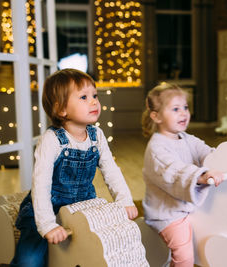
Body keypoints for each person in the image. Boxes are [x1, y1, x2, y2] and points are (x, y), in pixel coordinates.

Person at [10, 68, 138, 267]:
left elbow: (111, 171)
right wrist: (47, 225)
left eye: (95, 95)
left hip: (84, 203)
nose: (94, 101)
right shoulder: (52, 140)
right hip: (48, 206)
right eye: (84, 97)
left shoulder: (97, 136)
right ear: (61, 109)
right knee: (30, 259)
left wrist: (124, 200)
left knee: (98, 247)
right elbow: (41, 184)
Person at [141, 82, 224, 267]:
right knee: (184, 254)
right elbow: (176, 171)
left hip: (187, 206)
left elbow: (205, 151)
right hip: (167, 214)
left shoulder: (186, 138)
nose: (184, 113)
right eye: (176, 109)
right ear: (156, 116)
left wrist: (219, 160)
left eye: (185, 107)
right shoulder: (157, 149)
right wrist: (203, 175)